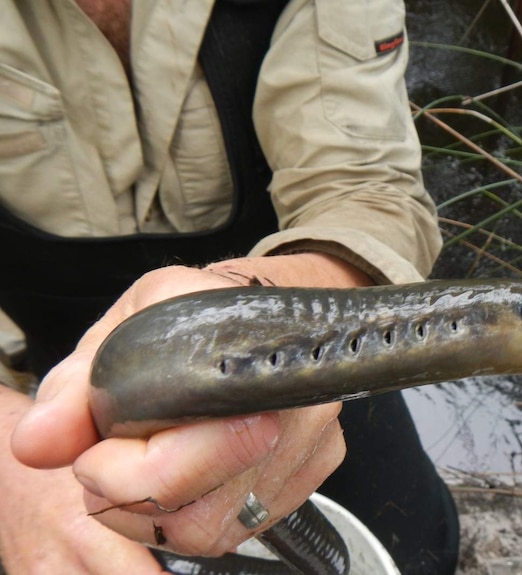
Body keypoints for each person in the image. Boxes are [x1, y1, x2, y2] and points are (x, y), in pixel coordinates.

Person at [0, 1, 459, 574]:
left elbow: (366, 184)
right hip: (38, 390)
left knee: (416, 542)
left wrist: (300, 292)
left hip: (318, 349)